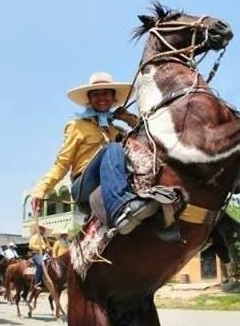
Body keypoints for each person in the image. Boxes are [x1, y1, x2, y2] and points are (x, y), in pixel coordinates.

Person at [31, 72, 158, 233]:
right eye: (96, 94)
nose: (101, 98)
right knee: (113, 148)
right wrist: (41, 190)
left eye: (106, 93)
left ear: (114, 98)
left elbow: (146, 134)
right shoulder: (76, 126)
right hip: (84, 184)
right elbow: (62, 164)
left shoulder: (116, 129)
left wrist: (127, 118)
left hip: (111, 180)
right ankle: (122, 207)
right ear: (89, 100)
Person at [29, 225, 51, 289]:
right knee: (41, 264)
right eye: (42, 229)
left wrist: (47, 248)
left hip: (43, 254)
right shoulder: (34, 237)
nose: (44, 231)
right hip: (36, 254)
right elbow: (31, 246)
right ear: (39, 229)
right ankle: (38, 282)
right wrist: (40, 247)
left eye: (44, 230)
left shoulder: (42, 238)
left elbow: (45, 246)